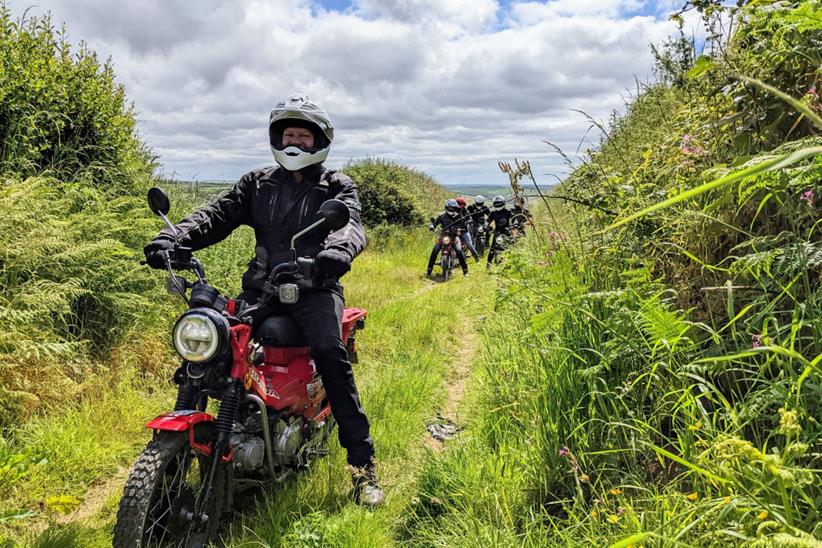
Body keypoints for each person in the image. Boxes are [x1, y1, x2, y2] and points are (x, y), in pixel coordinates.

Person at [142, 94, 384, 507]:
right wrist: (173, 237)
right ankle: (206, 448)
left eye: (303, 136)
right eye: (288, 133)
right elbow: (216, 215)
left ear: (319, 141)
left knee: (330, 353)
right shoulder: (257, 182)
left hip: (314, 288)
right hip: (261, 289)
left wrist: (336, 254)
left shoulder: (336, 185)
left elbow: (351, 225)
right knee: (211, 355)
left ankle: (363, 468)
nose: (294, 142)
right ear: (276, 137)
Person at [426, 198, 468, 277]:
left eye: (453, 208)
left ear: (456, 208)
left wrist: (463, 225)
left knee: (459, 251)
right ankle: (429, 271)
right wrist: (432, 226)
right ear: (447, 207)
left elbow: (464, 224)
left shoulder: (458, 216)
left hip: (454, 237)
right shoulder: (442, 216)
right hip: (443, 237)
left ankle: (465, 271)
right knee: (435, 251)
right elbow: (435, 223)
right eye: (450, 208)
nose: (452, 209)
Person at [486, 195, 515, 266]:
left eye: (499, 203)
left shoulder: (508, 212)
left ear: (503, 203)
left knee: (511, 247)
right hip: (497, 232)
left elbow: (514, 219)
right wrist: (485, 225)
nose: (497, 205)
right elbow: (488, 220)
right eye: (496, 203)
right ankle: (488, 265)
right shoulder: (493, 213)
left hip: (507, 231)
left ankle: (512, 263)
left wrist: (514, 224)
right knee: (492, 249)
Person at [455, 197, 479, 261]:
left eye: (461, 204)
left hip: (463, 231)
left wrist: (467, 221)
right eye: (458, 203)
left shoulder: (466, 211)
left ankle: (476, 258)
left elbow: (470, 219)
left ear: (463, 205)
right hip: (453, 231)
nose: (459, 205)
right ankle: (443, 259)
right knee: (446, 243)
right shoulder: (452, 210)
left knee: (469, 244)